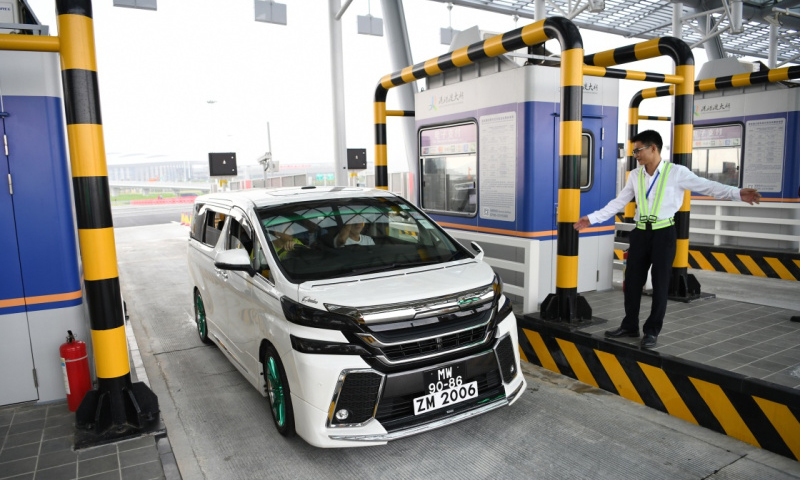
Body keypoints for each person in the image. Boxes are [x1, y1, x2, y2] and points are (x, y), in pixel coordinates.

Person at [573, 130, 761, 349]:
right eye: (634, 151)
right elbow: (619, 202)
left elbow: (708, 186)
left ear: (654, 148)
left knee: (661, 285)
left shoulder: (677, 172)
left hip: (664, 234)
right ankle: (629, 325)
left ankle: (652, 331)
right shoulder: (635, 175)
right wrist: (593, 218)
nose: (635, 155)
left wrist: (737, 193)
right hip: (641, 233)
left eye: (638, 150)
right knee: (632, 283)